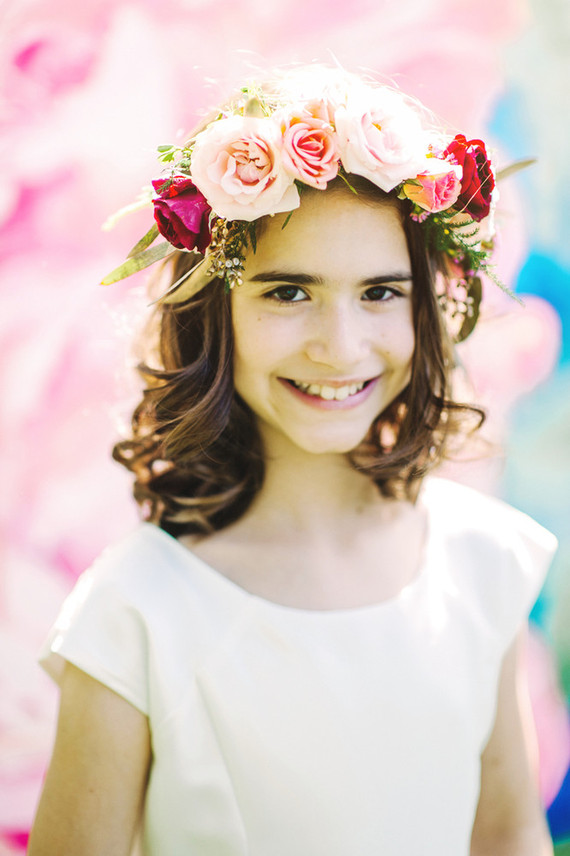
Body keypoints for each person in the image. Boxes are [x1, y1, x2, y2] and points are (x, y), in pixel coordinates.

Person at [28, 66, 557, 855]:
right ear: (217, 314)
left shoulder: (483, 563)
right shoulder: (136, 613)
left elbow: (508, 832)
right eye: (287, 292)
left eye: (380, 292)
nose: (339, 348)